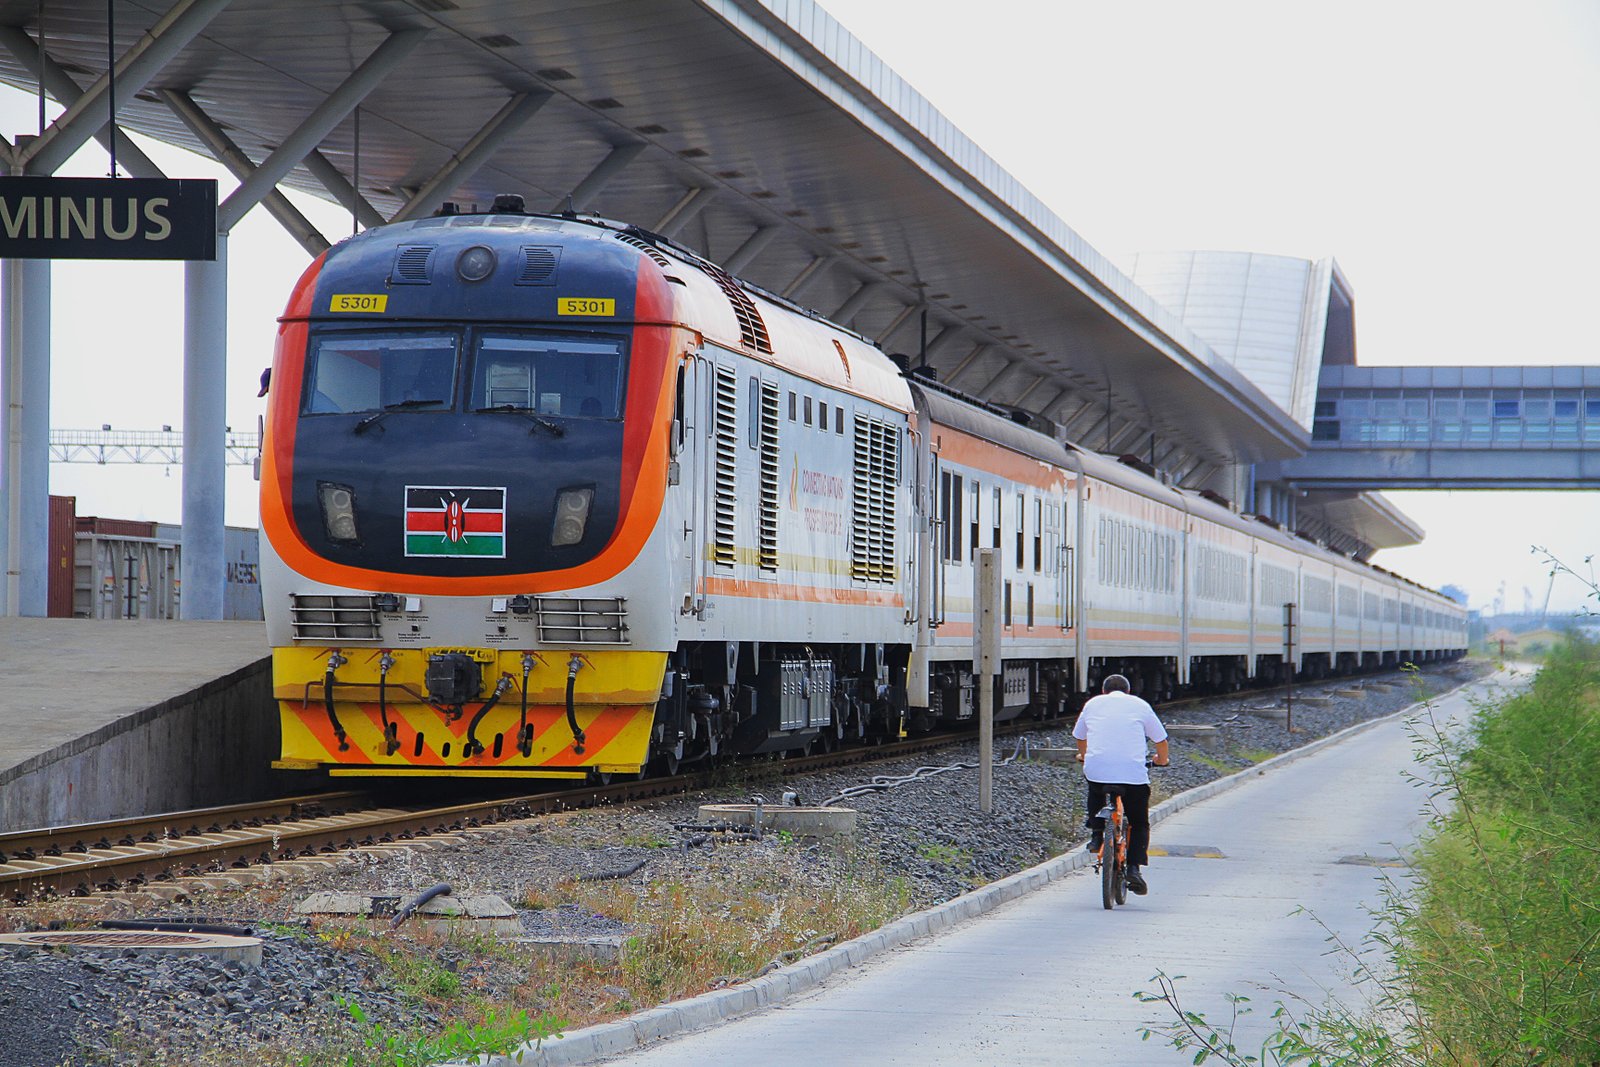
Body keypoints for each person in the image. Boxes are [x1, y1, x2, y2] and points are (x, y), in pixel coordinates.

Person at [1073, 674, 1169, 895]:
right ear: (1128, 692)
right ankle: (1134, 869)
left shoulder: (1093, 704)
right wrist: (1161, 761)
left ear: (1105, 692)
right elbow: (1161, 740)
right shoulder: (1140, 705)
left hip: (1098, 771)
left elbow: (1079, 736)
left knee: (1095, 787)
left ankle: (1097, 835)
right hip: (1133, 776)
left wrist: (1086, 755)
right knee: (1139, 822)